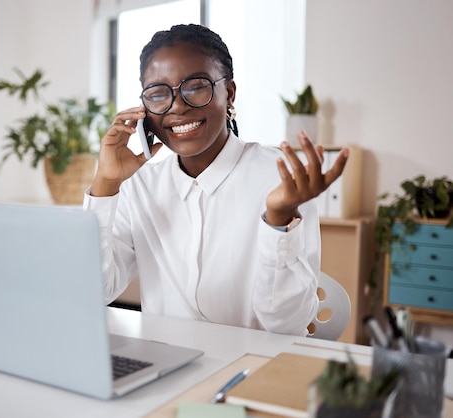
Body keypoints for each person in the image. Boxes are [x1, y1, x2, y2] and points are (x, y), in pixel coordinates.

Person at [83, 24, 349, 336]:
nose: (178, 106)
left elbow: (285, 323)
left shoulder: (281, 179)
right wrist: (105, 183)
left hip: (258, 367)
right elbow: (96, 290)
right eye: (158, 94)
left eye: (196, 87)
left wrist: (279, 219)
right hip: (171, 365)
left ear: (229, 93)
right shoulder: (140, 185)